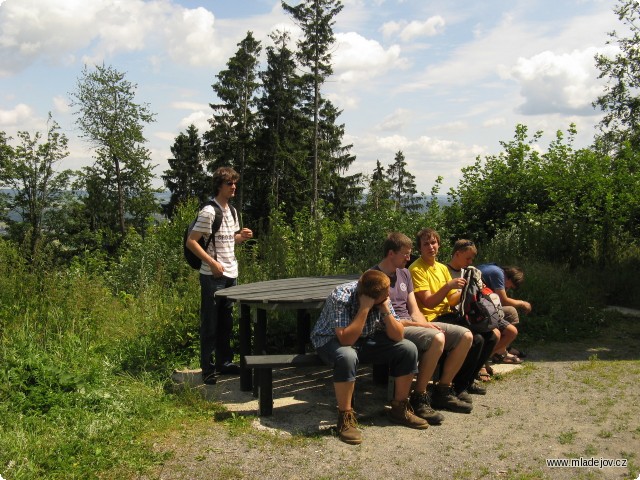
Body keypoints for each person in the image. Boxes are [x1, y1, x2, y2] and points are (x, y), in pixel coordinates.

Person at [310, 269, 429, 445]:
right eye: (386, 293)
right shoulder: (341, 296)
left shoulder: (383, 300)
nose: (390, 294)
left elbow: (398, 336)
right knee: (347, 355)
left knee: (408, 349)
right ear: (373, 297)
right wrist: (365, 308)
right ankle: (345, 417)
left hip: (365, 339)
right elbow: (345, 339)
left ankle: (399, 408)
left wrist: (386, 309)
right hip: (330, 340)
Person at [372, 233, 473, 421]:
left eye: (410, 254)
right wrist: (423, 327)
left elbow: (414, 309)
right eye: (405, 254)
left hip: (412, 322)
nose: (409, 259)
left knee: (465, 335)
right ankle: (419, 397)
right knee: (437, 338)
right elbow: (383, 318)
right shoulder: (375, 277)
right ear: (391, 253)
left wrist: (426, 324)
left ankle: (443, 390)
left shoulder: (404, 273)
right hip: (391, 327)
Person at [409, 228, 497, 400]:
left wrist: (469, 290)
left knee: (491, 336)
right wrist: (449, 286)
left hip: (447, 314)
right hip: (431, 318)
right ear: (420, 248)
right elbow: (429, 302)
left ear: (439, 245)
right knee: (476, 339)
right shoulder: (416, 269)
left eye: (433, 243)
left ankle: (466, 381)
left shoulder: (441, 267)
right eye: (426, 244)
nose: (430, 247)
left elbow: (451, 301)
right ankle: (455, 386)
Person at [186, 166, 253, 385]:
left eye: (235, 183)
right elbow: (192, 241)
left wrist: (240, 237)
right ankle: (208, 368)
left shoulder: (232, 211)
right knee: (210, 323)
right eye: (229, 184)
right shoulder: (208, 211)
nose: (234, 187)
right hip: (212, 275)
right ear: (219, 186)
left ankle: (224, 363)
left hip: (231, 273)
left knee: (226, 321)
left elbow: (226, 238)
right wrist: (212, 263)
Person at [447, 240, 520, 379]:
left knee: (511, 331)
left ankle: (484, 359)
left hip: (476, 310)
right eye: (468, 258)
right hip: (461, 313)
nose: (470, 261)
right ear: (457, 254)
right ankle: (479, 366)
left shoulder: (470, 271)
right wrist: (464, 290)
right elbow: (450, 301)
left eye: (472, 258)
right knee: (494, 334)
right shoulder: (446, 271)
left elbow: (481, 292)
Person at [477, 263, 531, 361]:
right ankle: (499, 351)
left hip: (482, 304)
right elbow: (503, 300)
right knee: (511, 312)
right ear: (510, 279)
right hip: (478, 308)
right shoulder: (498, 274)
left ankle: (503, 348)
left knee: (510, 310)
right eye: (510, 286)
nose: (508, 288)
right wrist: (523, 303)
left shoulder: (495, 269)